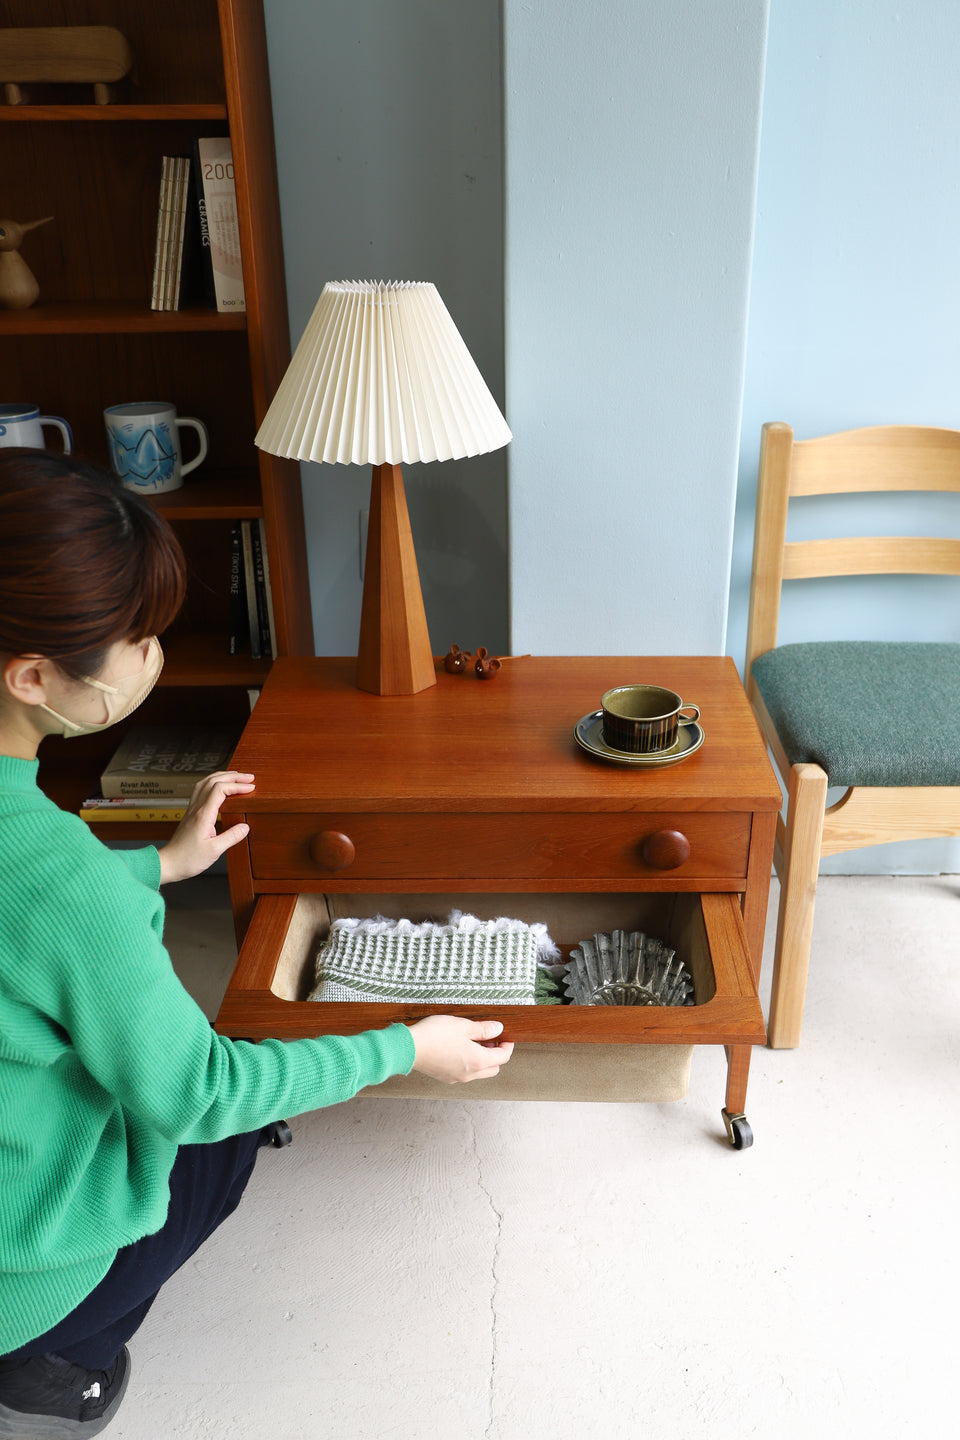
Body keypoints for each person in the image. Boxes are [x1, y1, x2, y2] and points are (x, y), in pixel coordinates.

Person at [0, 450, 513, 1438]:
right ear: (32, 675)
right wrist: (409, 1046)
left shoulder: (52, 871)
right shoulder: (57, 878)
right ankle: (53, 1365)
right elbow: (201, 1091)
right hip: (19, 1266)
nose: (154, 658)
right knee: (228, 1127)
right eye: (138, 638)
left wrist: (158, 866)